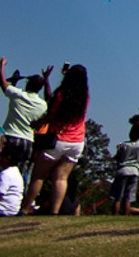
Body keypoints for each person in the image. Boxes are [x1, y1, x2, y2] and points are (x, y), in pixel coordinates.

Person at [22, 63, 88, 215]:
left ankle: (25, 208)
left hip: (58, 138)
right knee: (61, 178)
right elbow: (76, 84)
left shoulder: (62, 94)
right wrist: (66, 74)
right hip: (77, 141)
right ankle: (55, 211)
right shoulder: (85, 96)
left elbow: (51, 114)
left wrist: (37, 123)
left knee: (38, 176)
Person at [0, 58, 47, 175]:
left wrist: (1, 66)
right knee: (21, 174)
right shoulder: (43, 105)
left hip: (10, 136)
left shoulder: (18, 94)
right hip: (28, 140)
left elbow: (2, 83)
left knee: (2, 171)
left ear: (28, 83)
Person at [110, 120, 139, 216]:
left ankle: (115, 215)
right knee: (128, 197)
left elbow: (118, 158)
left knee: (118, 197)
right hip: (134, 171)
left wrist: (118, 151)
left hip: (123, 171)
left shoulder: (123, 145)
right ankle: (126, 216)